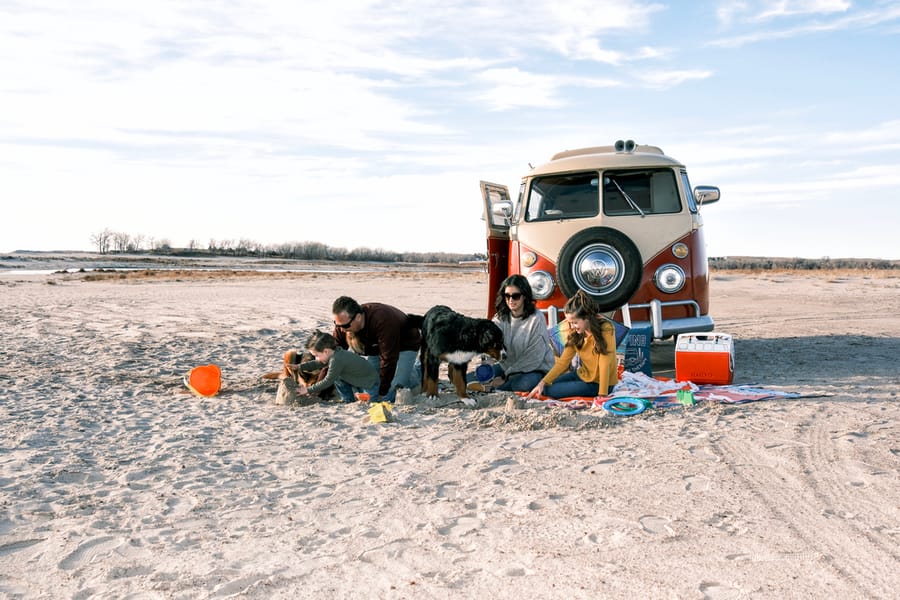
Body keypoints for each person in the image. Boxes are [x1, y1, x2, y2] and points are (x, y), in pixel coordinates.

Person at [468, 274, 554, 393]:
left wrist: (505, 377)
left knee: (522, 385)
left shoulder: (537, 319)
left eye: (515, 296)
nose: (510, 300)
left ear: (524, 296)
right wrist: (487, 361)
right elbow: (490, 343)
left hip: (535, 369)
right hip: (508, 368)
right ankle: (492, 386)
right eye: (507, 296)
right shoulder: (500, 318)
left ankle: (492, 388)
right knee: (468, 378)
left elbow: (533, 358)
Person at [526, 290, 618, 399]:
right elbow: (563, 362)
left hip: (600, 384)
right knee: (544, 385)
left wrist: (602, 394)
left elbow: (605, 362)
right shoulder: (575, 333)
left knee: (548, 391)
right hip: (582, 375)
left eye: (575, 322)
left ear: (587, 317)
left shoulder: (606, 328)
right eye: (570, 322)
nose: (572, 326)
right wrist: (542, 383)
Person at [331, 296, 421, 403]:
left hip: (406, 344)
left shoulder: (382, 320)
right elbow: (332, 355)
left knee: (391, 392)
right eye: (337, 324)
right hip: (377, 347)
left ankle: (419, 370)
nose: (341, 329)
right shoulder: (343, 323)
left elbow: (389, 359)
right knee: (372, 380)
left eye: (344, 326)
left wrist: (382, 392)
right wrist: (318, 387)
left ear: (358, 317)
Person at [285, 331, 378, 403]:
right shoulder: (335, 352)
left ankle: (355, 397)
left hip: (370, 384)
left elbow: (328, 380)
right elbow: (318, 363)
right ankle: (348, 399)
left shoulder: (337, 360)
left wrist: (308, 390)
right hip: (359, 380)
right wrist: (299, 366)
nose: (316, 358)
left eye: (316, 355)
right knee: (337, 377)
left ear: (326, 351)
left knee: (369, 400)